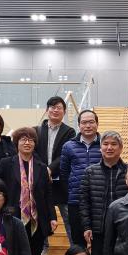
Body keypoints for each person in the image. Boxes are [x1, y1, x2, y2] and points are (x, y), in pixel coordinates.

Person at [0, 126, 57, 255]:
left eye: (31, 140)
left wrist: (52, 217)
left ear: (35, 144)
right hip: (13, 218)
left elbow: (48, 194)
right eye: (23, 139)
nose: (27, 143)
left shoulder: (41, 167)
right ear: (17, 143)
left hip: (37, 220)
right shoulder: (7, 163)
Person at [79, 130, 128, 255]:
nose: (109, 147)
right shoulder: (90, 172)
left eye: (113, 144)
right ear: (100, 148)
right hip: (99, 232)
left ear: (121, 148)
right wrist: (87, 226)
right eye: (105, 144)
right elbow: (84, 202)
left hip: (125, 233)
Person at [36, 95, 76, 245]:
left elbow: (65, 154)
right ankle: (43, 246)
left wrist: (49, 169)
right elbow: (33, 153)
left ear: (64, 112)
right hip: (41, 180)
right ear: (47, 110)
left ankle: (75, 248)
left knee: (68, 216)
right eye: (52, 107)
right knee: (41, 214)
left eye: (59, 108)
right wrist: (43, 171)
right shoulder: (37, 131)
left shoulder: (70, 132)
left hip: (61, 181)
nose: (55, 110)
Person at [60, 108, 101, 247]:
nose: (88, 126)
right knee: (78, 241)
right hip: (75, 201)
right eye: (84, 122)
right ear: (79, 125)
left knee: (99, 241)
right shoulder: (68, 146)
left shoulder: (105, 145)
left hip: (99, 201)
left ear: (97, 124)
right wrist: (71, 192)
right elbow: (64, 174)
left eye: (91, 122)